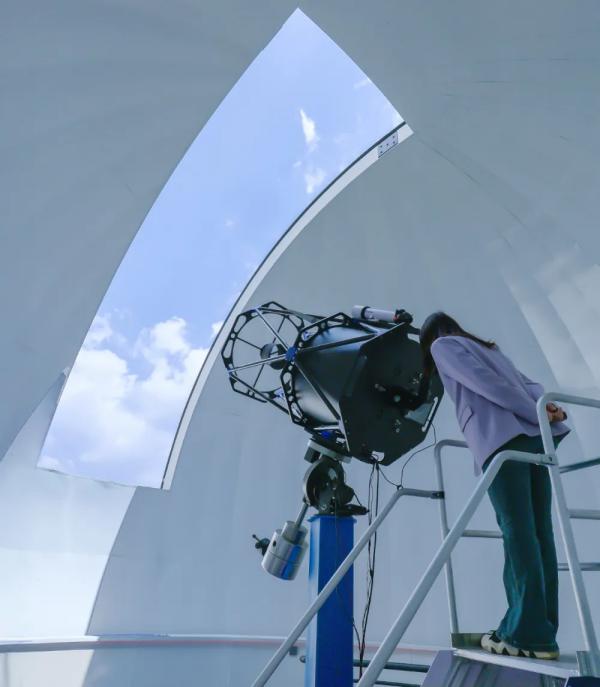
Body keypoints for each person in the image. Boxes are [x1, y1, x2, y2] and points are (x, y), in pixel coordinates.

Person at [419, 312, 570, 660]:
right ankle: (543, 631)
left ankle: (524, 632)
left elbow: (486, 384)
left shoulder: (442, 346)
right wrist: (545, 411)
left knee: (517, 533)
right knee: (540, 534)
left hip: (502, 440)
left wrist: (534, 413)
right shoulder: (490, 349)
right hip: (535, 440)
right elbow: (529, 386)